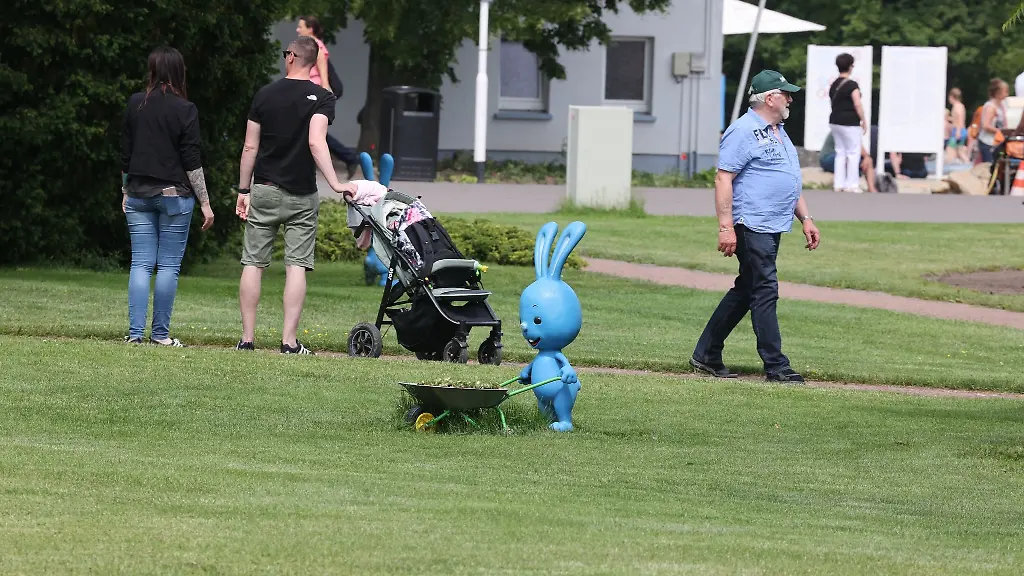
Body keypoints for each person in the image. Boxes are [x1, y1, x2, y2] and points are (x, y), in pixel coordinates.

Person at [689, 70, 820, 383]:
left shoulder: (778, 130)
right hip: (751, 223)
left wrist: (805, 217)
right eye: (786, 93)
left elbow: (788, 178)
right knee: (764, 289)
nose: (790, 98)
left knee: (747, 289)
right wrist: (725, 227)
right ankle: (776, 365)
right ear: (770, 97)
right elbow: (723, 177)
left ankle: (706, 353)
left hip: (774, 223)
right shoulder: (744, 130)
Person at [234, 36, 355, 354]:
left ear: (290, 56)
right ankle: (289, 341)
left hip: (265, 190)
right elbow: (317, 142)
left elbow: (250, 146)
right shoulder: (323, 98)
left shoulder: (265, 94)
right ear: (314, 62)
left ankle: (247, 339)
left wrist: (243, 190)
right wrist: (336, 182)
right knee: (296, 265)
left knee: (253, 262)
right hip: (302, 194)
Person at [120, 46, 216, 347]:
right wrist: (205, 202)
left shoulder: (135, 104)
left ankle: (135, 334)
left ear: (152, 71)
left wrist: (124, 190)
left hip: (137, 193)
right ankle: (160, 335)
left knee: (140, 264)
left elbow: (126, 155)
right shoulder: (185, 109)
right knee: (168, 266)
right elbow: (191, 160)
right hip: (174, 195)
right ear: (179, 72)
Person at [297, 15, 359, 179]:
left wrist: (325, 92)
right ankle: (348, 158)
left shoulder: (317, 46)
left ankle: (349, 158)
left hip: (315, 93)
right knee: (310, 131)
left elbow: (323, 73)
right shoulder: (306, 46)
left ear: (310, 29)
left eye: (300, 26)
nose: (297, 29)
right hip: (307, 93)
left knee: (310, 130)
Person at [827, 53, 868, 194]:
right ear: (850, 67)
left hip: (835, 121)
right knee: (853, 152)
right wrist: (863, 120)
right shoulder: (852, 85)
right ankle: (852, 184)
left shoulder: (834, 84)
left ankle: (838, 184)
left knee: (840, 152)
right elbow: (857, 103)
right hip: (850, 122)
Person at [978, 78, 1009, 164]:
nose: (1007, 94)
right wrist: (999, 131)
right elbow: (985, 125)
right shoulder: (991, 107)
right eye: (1005, 92)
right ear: (997, 93)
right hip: (988, 142)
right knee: (989, 166)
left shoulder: (1001, 105)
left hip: (996, 142)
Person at [946, 88, 969, 164]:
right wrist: (949, 118)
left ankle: (947, 168)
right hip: (960, 130)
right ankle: (967, 164)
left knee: (950, 149)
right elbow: (957, 119)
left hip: (958, 131)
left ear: (952, 96)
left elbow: (960, 119)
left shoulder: (957, 106)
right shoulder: (960, 106)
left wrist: (958, 131)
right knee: (960, 151)